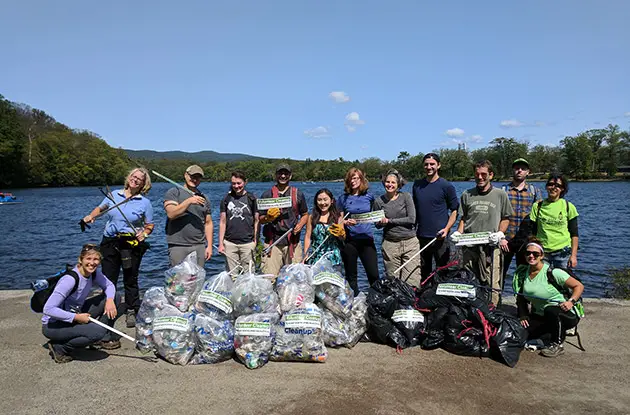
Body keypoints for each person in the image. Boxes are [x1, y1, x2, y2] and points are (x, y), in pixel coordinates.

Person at [82, 167, 154, 328]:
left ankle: (131, 309)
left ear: (143, 184)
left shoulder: (145, 202)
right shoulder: (114, 195)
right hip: (110, 242)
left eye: (139, 179)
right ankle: (108, 306)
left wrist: (145, 234)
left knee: (131, 277)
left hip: (130, 244)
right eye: (133, 176)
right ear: (129, 178)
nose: (135, 180)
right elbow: (100, 208)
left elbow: (149, 225)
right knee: (108, 278)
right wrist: (91, 216)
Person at [42, 244, 122, 363]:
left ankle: (103, 338)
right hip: (54, 325)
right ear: (81, 259)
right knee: (97, 332)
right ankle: (59, 348)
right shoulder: (70, 280)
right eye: (88, 259)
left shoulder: (93, 273)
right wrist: (76, 317)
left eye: (96, 259)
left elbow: (109, 285)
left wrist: (109, 300)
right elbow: (48, 309)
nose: (92, 263)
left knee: (115, 297)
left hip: (75, 312)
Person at [453, 160, 514, 304]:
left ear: (491, 175)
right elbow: (464, 218)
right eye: (477, 174)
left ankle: (492, 310)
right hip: (469, 246)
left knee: (492, 283)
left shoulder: (500, 194)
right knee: (469, 279)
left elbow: (506, 218)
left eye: (484, 174)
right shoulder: (467, 194)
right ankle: (471, 308)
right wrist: (458, 233)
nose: (480, 177)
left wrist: (500, 233)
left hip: (490, 247)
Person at [513, 237, 584, 358]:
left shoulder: (553, 272)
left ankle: (558, 344)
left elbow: (579, 286)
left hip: (565, 314)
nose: (531, 256)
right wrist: (523, 314)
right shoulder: (522, 273)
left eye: (535, 254)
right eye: (528, 253)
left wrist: (571, 301)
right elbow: (521, 298)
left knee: (551, 310)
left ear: (541, 256)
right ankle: (547, 334)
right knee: (519, 333)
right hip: (540, 316)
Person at [412, 153, 459, 281]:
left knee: (443, 272)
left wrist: (447, 229)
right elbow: (415, 210)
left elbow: (455, 210)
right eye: (426, 164)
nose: (429, 167)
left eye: (432, 164)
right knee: (424, 273)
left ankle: (442, 299)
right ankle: (424, 298)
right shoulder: (417, 185)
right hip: (421, 236)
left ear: (438, 165)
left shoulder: (446, 186)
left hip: (440, 237)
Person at [259, 164, 308, 275]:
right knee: (269, 278)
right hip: (272, 243)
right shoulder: (267, 195)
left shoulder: (297, 194)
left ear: (290, 176)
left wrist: (300, 225)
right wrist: (268, 218)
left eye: (286, 173)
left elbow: (305, 215)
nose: (283, 176)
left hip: (293, 242)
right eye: (280, 173)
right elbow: (260, 219)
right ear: (276, 175)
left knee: (294, 279)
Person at [374, 170, 420, 287]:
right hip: (390, 244)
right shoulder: (379, 201)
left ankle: (411, 303)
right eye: (387, 182)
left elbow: (411, 219)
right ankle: (396, 304)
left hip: (410, 243)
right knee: (392, 281)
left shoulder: (406, 197)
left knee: (411, 280)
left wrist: (389, 221)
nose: (390, 185)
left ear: (398, 184)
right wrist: (381, 223)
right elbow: (377, 225)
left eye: (393, 182)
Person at [337, 168, 379, 294]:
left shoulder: (369, 197)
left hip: (366, 240)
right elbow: (339, 220)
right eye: (351, 178)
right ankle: (354, 302)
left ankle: (376, 300)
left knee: (373, 274)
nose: (353, 181)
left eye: (356, 178)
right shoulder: (343, 198)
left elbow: (376, 215)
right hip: (350, 241)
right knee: (351, 276)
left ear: (361, 180)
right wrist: (345, 222)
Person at [164, 165, 213, 268]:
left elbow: (208, 223)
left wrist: (209, 246)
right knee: (177, 282)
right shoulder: (174, 192)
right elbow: (171, 214)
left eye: (198, 177)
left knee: (197, 280)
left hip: (199, 245)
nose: (194, 180)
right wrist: (189, 201)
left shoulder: (204, 198)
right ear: (186, 175)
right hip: (178, 245)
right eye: (192, 176)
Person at [501, 158, 543, 280]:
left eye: (523, 169)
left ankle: (523, 299)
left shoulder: (534, 191)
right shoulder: (503, 190)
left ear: (528, 172)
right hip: (506, 241)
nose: (519, 171)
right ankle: (496, 298)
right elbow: (497, 215)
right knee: (499, 274)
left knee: (526, 275)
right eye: (517, 168)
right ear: (513, 170)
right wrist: (501, 237)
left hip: (526, 241)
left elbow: (539, 216)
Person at [529, 173, 579, 269]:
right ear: (546, 187)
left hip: (563, 254)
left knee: (563, 282)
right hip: (542, 253)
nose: (553, 188)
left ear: (562, 189)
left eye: (558, 186)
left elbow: (574, 234)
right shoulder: (537, 206)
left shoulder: (568, 206)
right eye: (550, 184)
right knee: (543, 281)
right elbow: (532, 232)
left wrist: (573, 256)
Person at [218, 170, 259, 272]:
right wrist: (221, 244)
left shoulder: (252, 199)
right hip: (230, 244)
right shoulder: (226, 199)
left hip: (247, 243)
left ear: (245, 182)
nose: (236, 186)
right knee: (232, 275)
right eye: (233, 183)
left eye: (239, 183)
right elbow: (222, 222)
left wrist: (255, 241)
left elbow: (257, 221)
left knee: (249, 275)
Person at [303, 188, 345, 269]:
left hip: (334, 259)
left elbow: (343, 238)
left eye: (325, 200)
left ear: (331, 201)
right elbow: (307, 237)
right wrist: (305, 254)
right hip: (316, 258)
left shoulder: (338, 217)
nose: (322, 203)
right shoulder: (311, 217)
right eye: (319, 200)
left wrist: (341, 233)